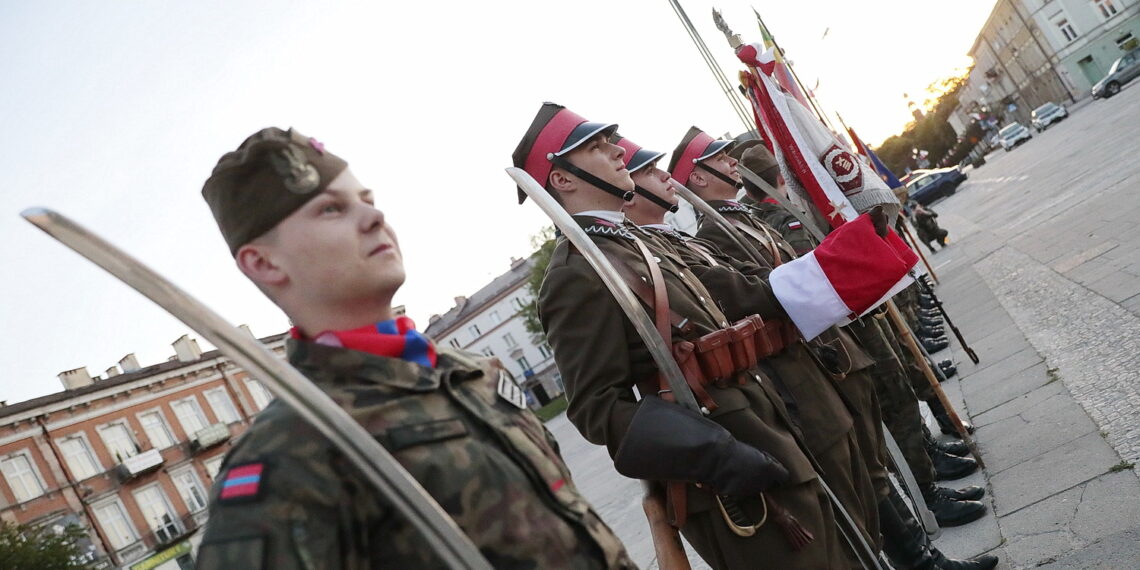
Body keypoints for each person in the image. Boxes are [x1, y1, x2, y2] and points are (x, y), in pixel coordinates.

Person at [195, 127, 635, 569]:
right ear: (264, 262)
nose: (373, 218)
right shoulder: (284, 459)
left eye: (366, 200)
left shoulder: (475, 374)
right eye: (331, 210)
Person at [515, 103, 852, 569]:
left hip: (766, 430)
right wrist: (710, 453)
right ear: (563, 179)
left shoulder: (632, 243)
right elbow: (595, 406)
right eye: (595, 147)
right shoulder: (577, 273)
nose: (617, 151)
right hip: (724, 473)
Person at [668, 128, 996, 570]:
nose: (731, 162)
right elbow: (764, 290)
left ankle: (923, 551)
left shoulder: (734, 219)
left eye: (730, 155)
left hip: (830, 346)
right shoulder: (715, 233)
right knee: (864, 476)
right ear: (698, 178)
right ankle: (920, 556)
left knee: (872, 460)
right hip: (809, 361)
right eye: (719, 158)